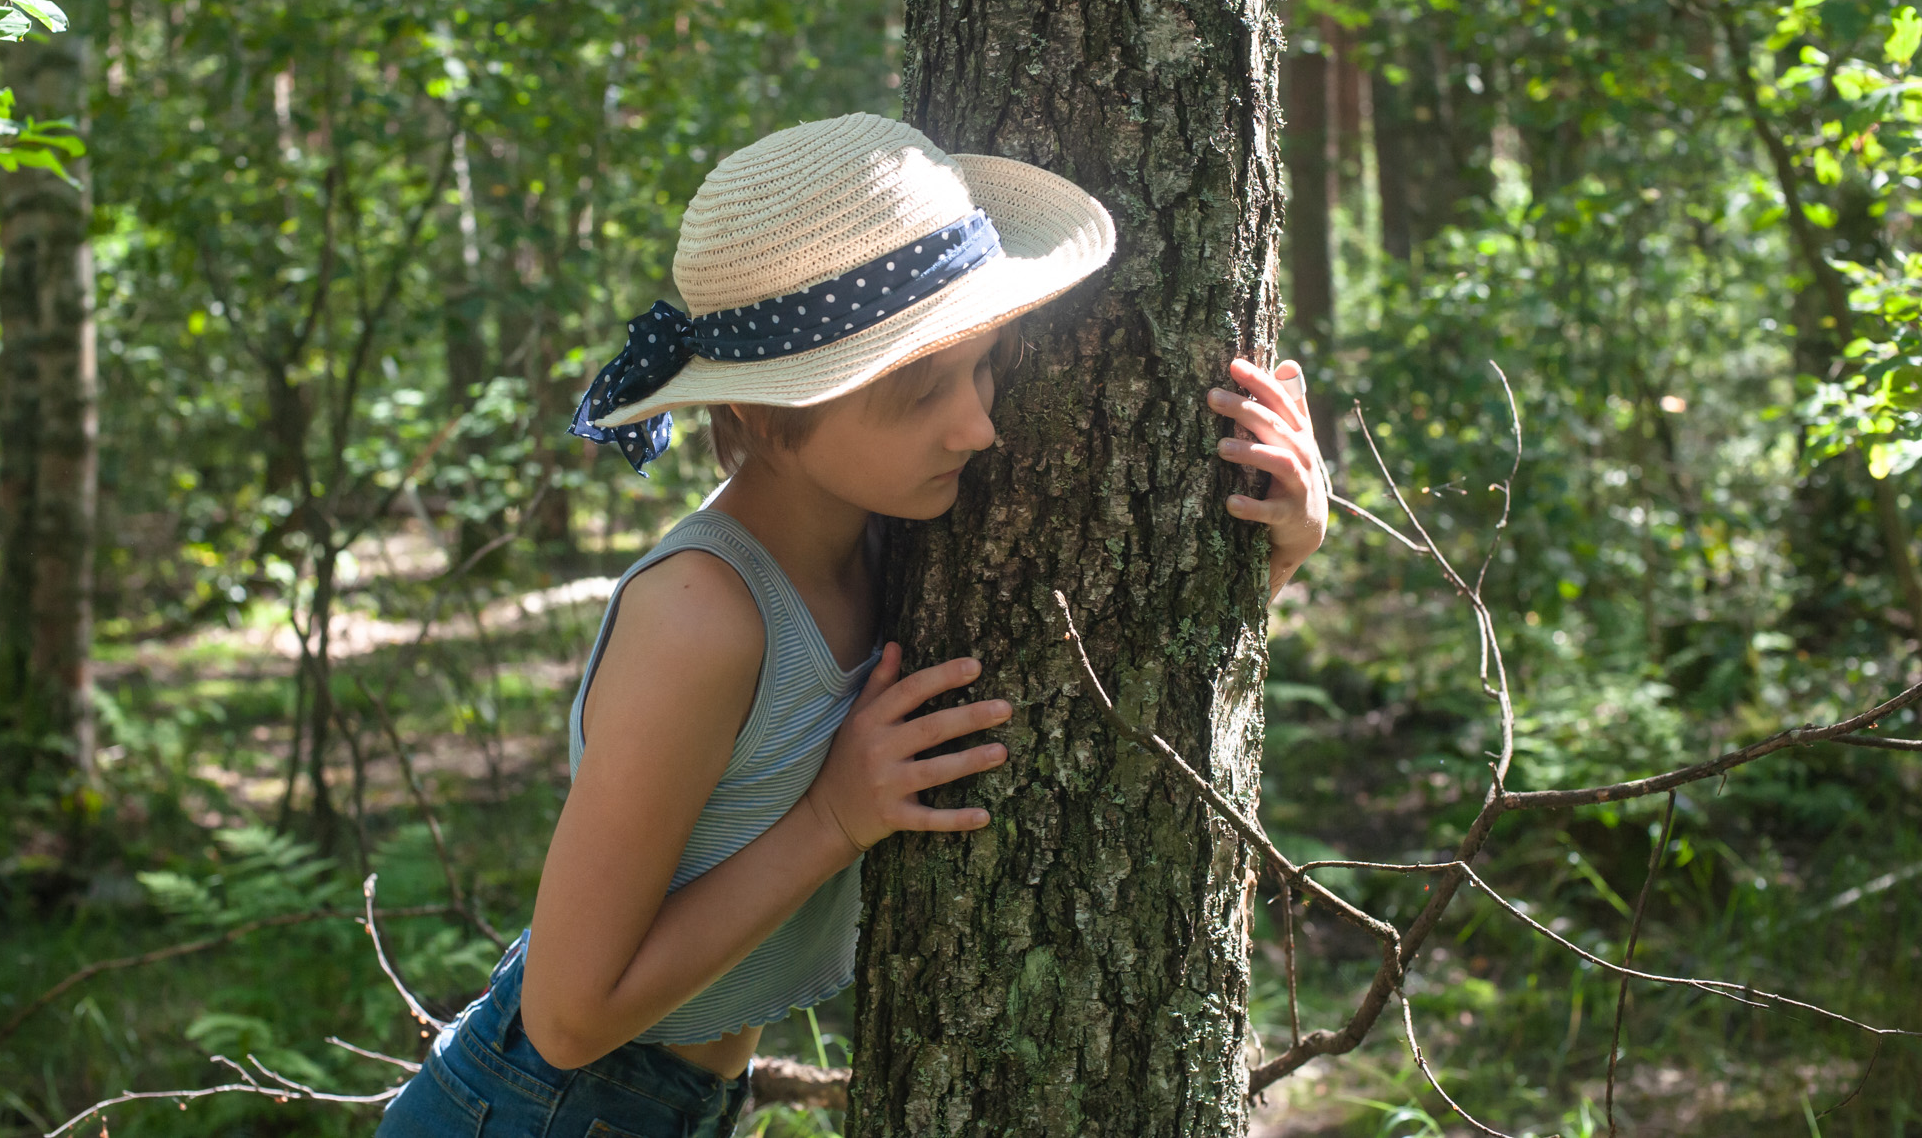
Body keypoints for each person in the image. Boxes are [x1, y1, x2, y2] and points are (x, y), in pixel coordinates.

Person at [376, 114, 1328, 1138]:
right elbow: (565, 1019)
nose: (978, 425)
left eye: (985, 365)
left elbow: (1076, 702)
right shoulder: (700, 621)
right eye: (920, 392)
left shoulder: (896, 543)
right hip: (542, 1106)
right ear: (770, 413)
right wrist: (831, 819)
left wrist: (1257, 561)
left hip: (670, 1102)